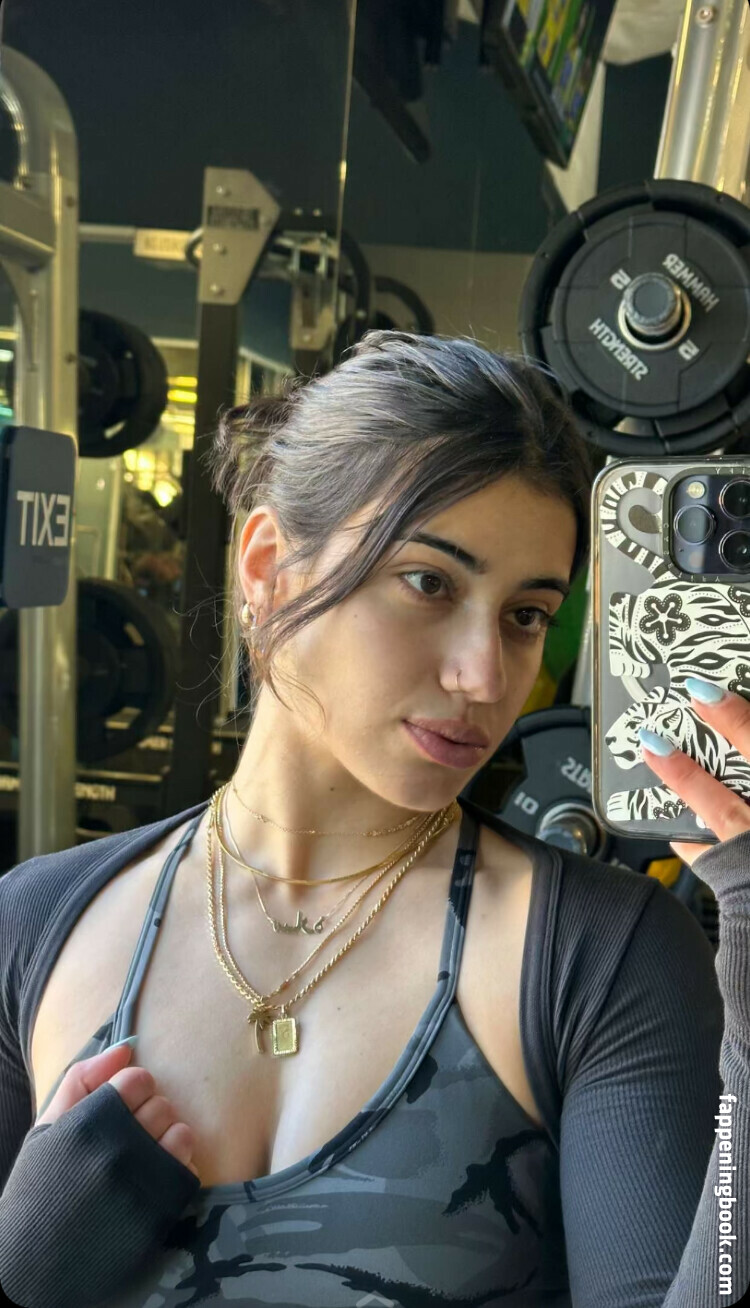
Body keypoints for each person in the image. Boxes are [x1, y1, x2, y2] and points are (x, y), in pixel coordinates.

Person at [0, 331, 746, 1307]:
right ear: (268, 565)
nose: (484, 676)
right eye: (429, 583)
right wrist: (23, 1261)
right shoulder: (30, 925)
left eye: (526, 614)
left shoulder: (601, 955)